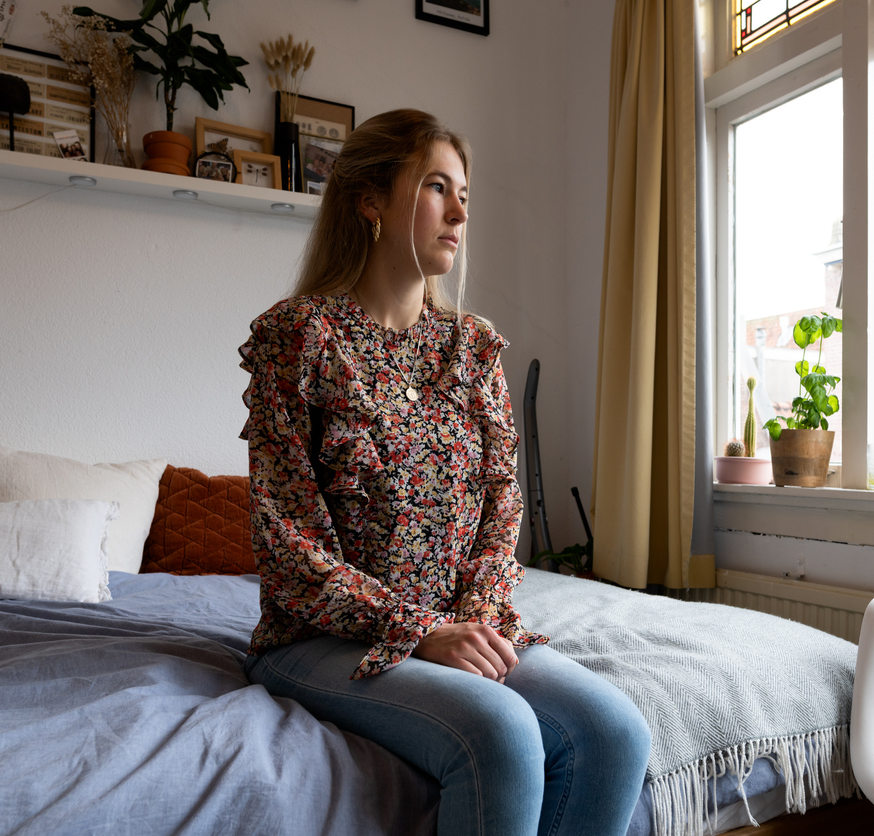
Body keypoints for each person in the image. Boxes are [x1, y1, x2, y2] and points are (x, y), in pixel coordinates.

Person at [239, 109, 651, 836]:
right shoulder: (297, 338)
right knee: (500, 732)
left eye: (465, 193)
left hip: (465, 623)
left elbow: (502, 508)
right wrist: (422, 631)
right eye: (437, 187)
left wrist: (472, 619)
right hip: (323, 639)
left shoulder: (472, 346)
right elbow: (287, 546)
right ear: (369, 200)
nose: (461, 211)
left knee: (616, 733)